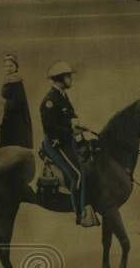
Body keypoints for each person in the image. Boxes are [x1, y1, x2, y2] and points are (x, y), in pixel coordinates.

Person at [40, 61, 97, 228]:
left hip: (67, 140)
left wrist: (79, 124)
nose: (71, 79)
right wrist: (72, 130)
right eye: (68, 76)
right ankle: (81, 214)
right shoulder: (49, 100)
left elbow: (70, 115)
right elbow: (50, 128)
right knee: (77, 175)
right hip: (55, 144)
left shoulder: (62, 95)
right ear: (60, 79)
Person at [0, 53, 32, 150]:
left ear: (16, 67)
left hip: (16, 120)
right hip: (10, 117)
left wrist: (4, 103)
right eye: (6, 66)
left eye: (11, 66)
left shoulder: (15, 81)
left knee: (12, 146)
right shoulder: (8, 80)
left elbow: (17, 103)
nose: (8, 68)